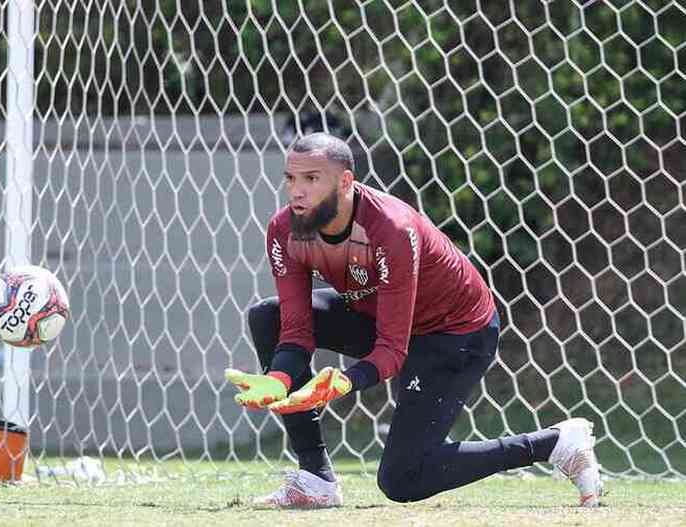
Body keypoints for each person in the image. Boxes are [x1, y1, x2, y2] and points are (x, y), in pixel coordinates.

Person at [225, 132, 602, 508]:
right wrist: (279, 377)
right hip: (377, 316)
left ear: (345, 182)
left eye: (311, 179)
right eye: (291, 179)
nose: (297, 191)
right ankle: (315, 479)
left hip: (455, 333)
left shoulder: (390, 227)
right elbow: (295, 331)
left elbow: (391, 350)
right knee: (266, 317)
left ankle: (555, 444)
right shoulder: (284, 229)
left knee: (402, 480)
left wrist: (342, 381)